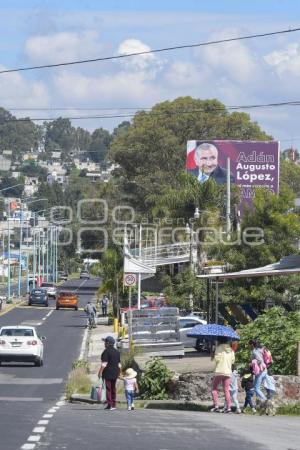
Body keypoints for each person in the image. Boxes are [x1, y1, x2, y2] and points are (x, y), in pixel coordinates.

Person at [211, 336, 235, 413]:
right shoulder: (231, 350)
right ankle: (229, 408)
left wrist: (213, 355)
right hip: (228, 372)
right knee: (226, 390)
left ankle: (216, 406)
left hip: (219, 371)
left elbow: (216, 359)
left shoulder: (218, 348)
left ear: (219, 341)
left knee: (214, 389)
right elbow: (232, 361)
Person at [98, 336, 121, 411]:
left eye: (105, 342)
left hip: (108, 373)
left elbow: (104, 363)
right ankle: (113, 404)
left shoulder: (106, 351)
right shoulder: (117, 352)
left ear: (108, 343)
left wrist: (100, 372)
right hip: (115, 372)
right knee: (113, 388)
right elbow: (119, 364)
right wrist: (120, 372)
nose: (104, 343)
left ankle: (110, 404)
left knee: (108, 388)